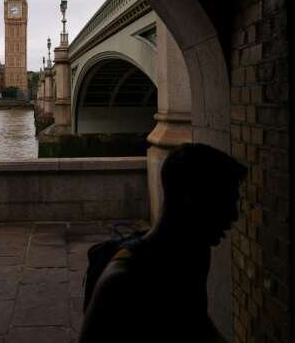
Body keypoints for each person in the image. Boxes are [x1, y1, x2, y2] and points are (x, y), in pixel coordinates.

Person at [78, 143, 246, 343]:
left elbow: (197, 322)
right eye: (223, 202)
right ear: (190, 199)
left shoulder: (197, 253)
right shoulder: (121, 282)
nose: (234, 216)